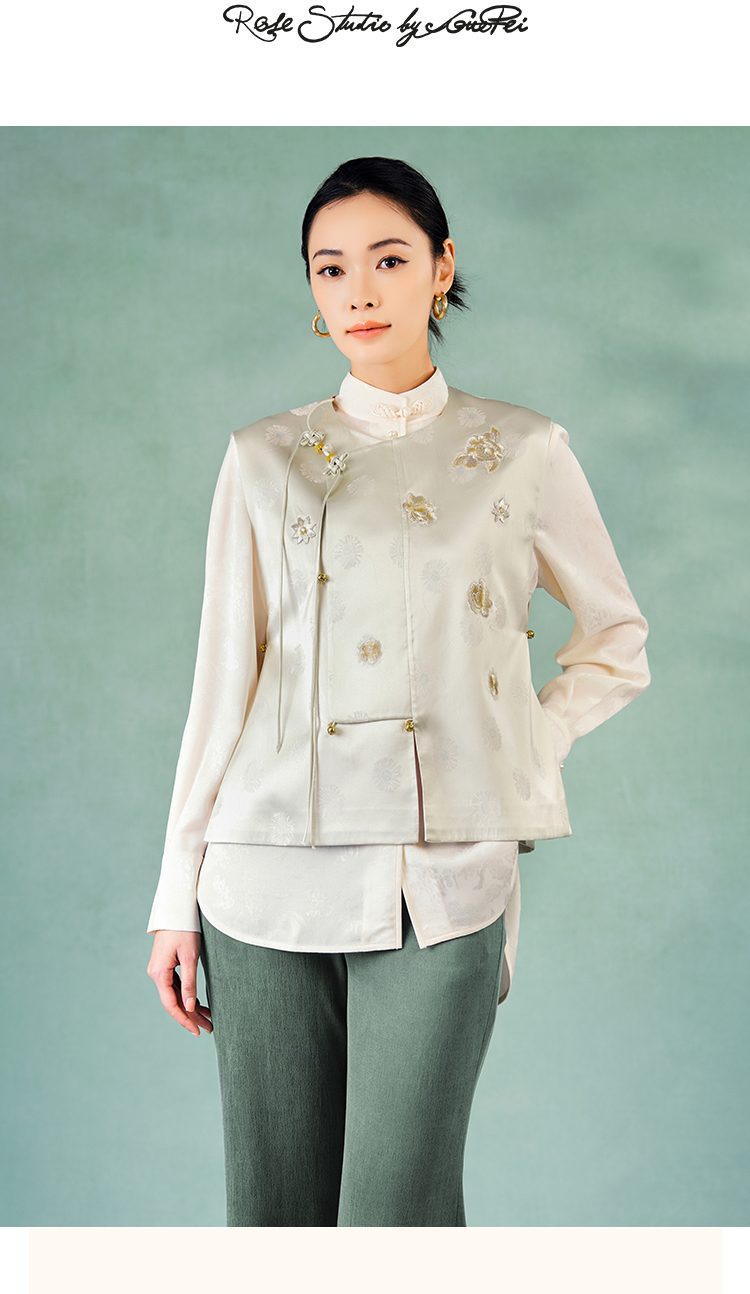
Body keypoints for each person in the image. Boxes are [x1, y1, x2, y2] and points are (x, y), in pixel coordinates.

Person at [146, 155, 650, 1227]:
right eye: (331, 269)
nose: (359, 291)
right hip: (261, 871)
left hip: (448, 871)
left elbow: (617, 639)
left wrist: (527, 745)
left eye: (387, 259)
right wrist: (172, 899)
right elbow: (221, 685)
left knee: (397, 1219)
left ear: (441, 268)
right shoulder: (263, 457)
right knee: (273, 1220)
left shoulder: (523, 450)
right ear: (313, 290)